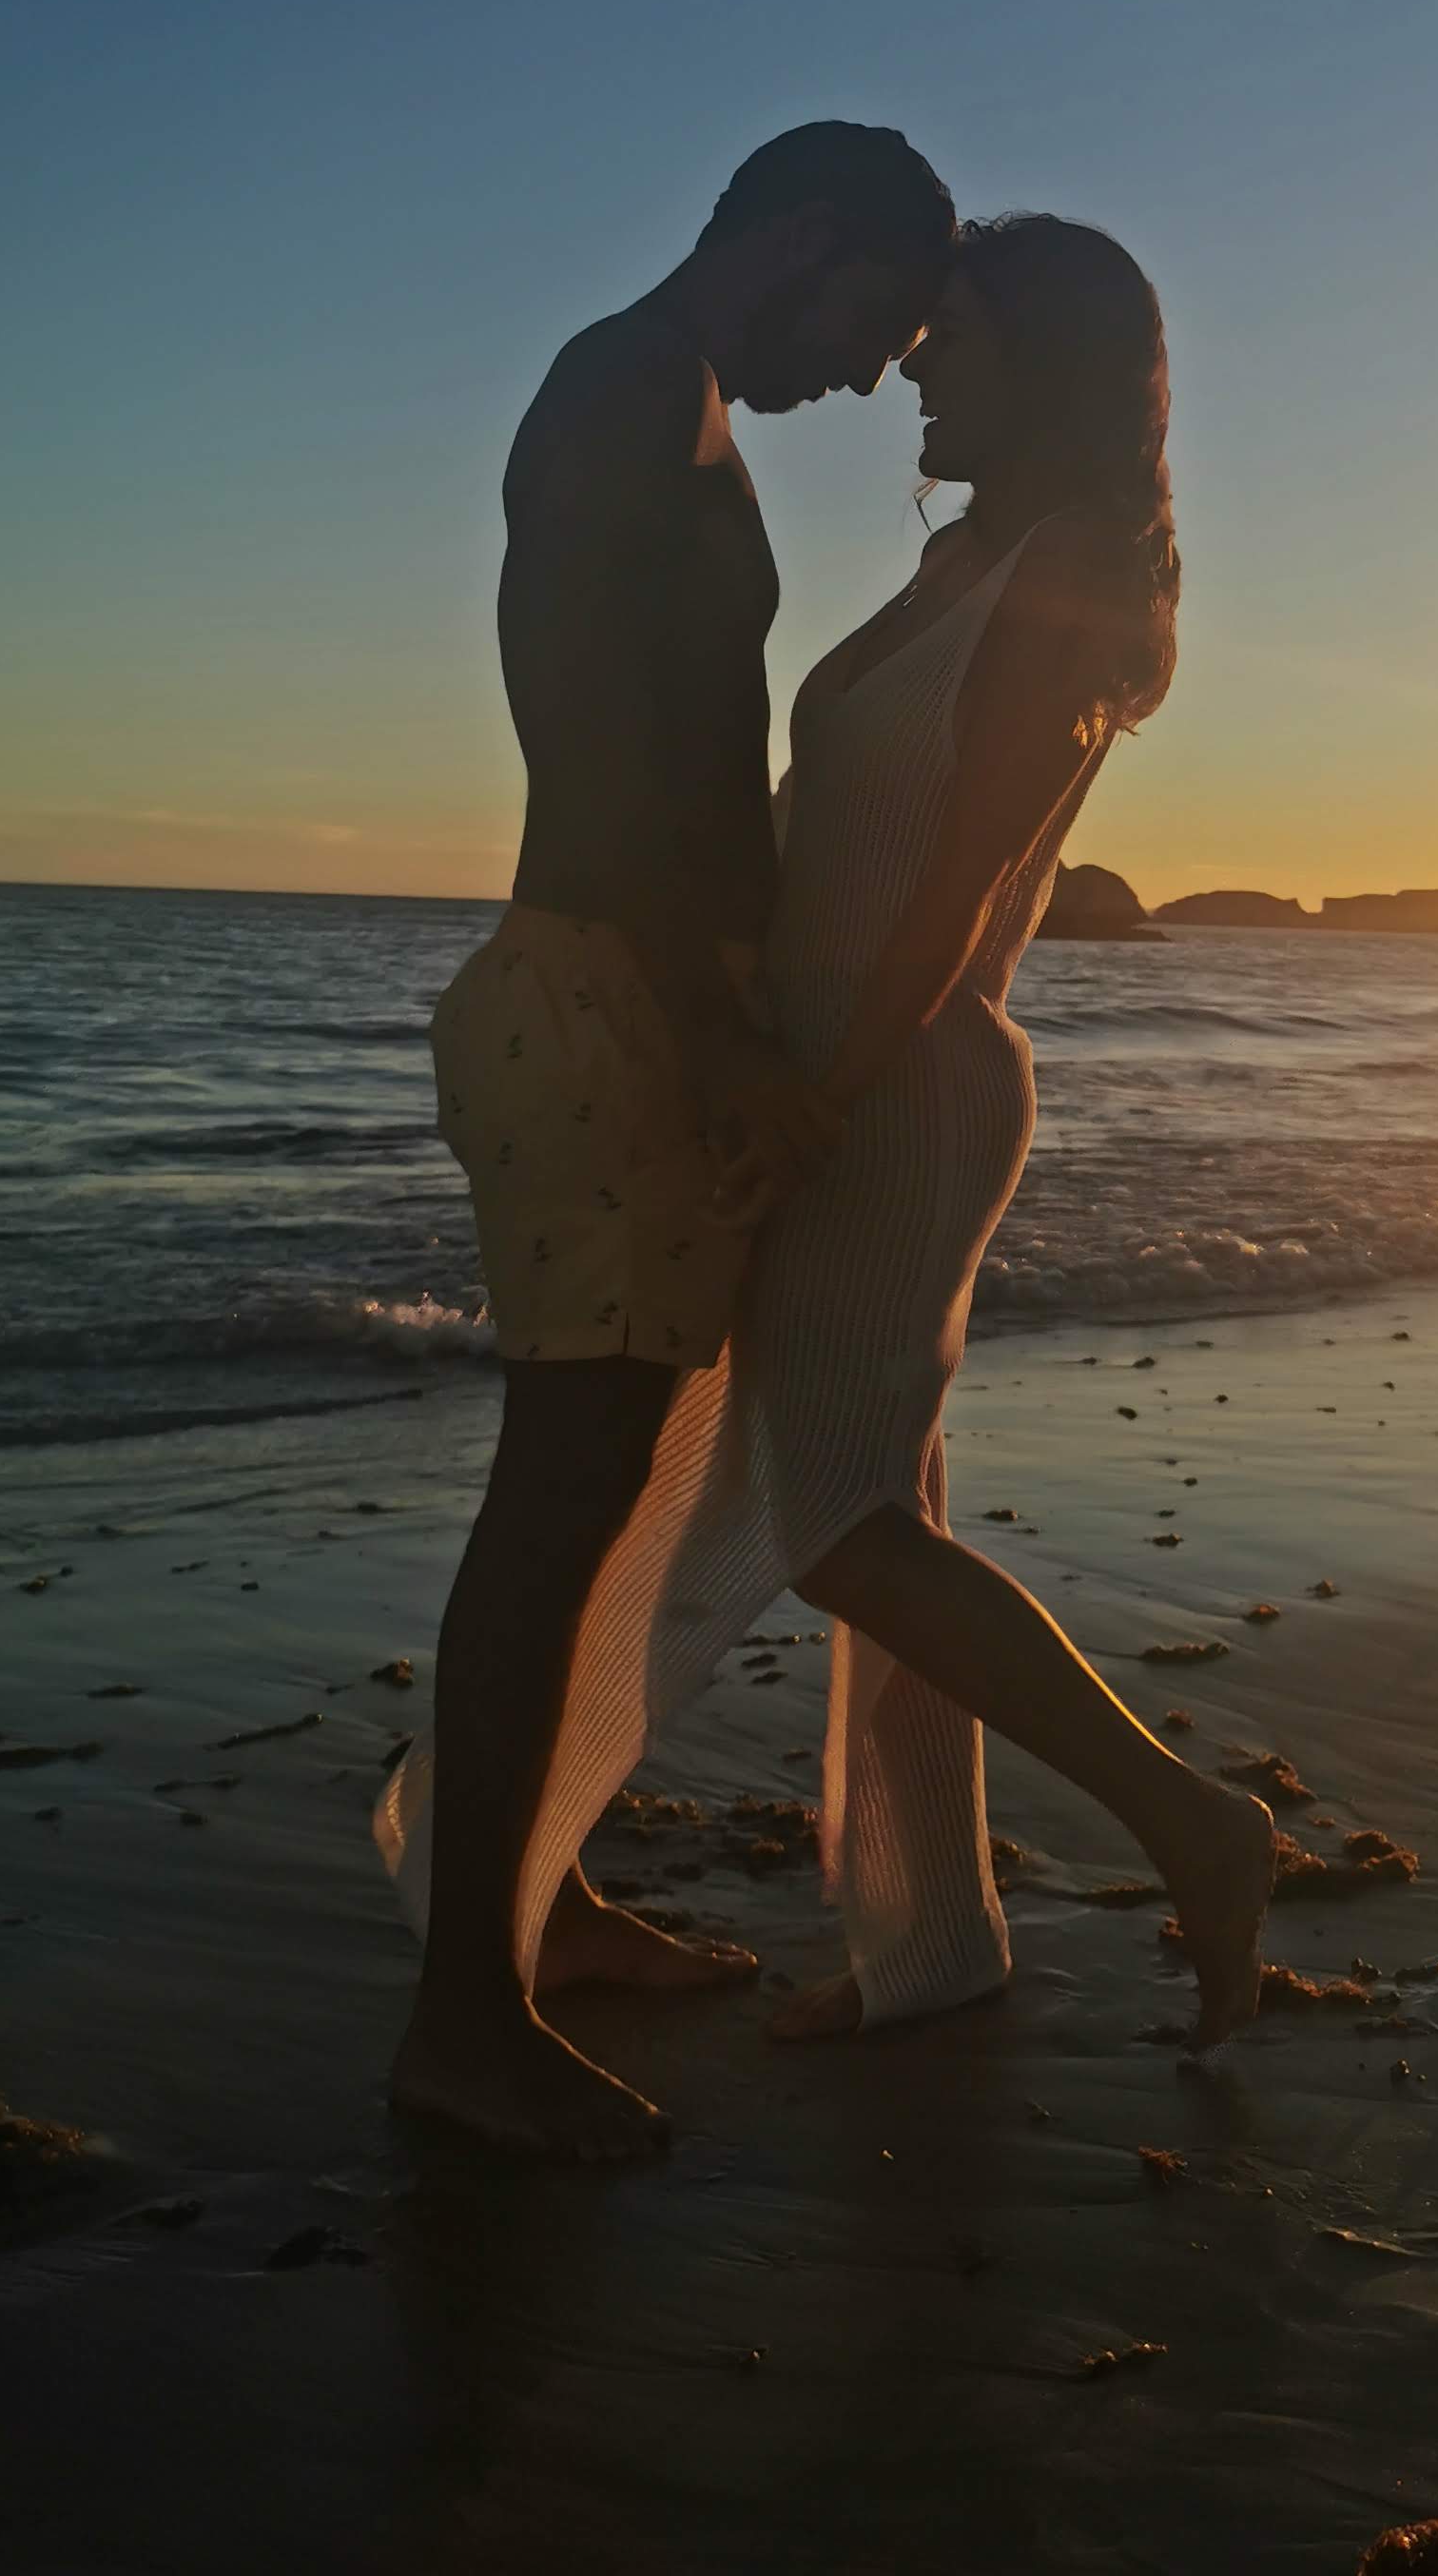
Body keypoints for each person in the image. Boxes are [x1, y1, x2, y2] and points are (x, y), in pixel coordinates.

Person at [612, 214, 1277, 2069]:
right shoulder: (981, 551)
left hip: (900, 1087)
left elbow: (960, 872)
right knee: (877, 1518)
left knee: (839, 1535)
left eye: (954, 339)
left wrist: (825, 1087)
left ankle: (1190, 1827)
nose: (915, 365)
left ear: (1045, 366)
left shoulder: (1072, 572)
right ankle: (933, 1940)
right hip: (839, 1068)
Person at [378, 120, 957, 2157]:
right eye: (879, 319)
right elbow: (616, 748)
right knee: (558, 1500)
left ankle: (540, 1906)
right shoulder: (632, 387)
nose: (882, 377)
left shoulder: (671, 395)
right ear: (801, 238)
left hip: (628, 991)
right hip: (607, 996)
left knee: (599, 1490)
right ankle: (466, 2016)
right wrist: (714, 1028)